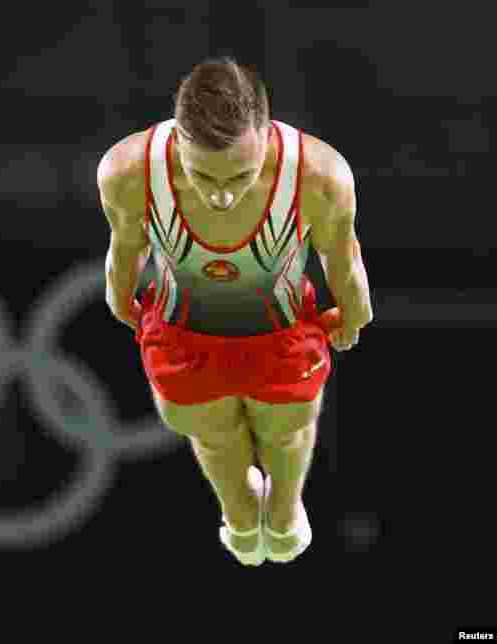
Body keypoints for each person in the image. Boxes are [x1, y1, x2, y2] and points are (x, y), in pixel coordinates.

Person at [96, 56, 372, 565]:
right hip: (184, 333)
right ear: (178, 140)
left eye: (240, 175)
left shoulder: (319, 175)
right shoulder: (128, 170)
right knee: (215, 437)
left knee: (284, 433)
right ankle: (241, 514)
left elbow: (344, 256)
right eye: (203, 175)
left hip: (282, 333)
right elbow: (125, 244)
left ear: (268, 137)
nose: (221, 196)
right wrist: (120, 295)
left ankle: (285, 509)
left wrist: (354, 313)